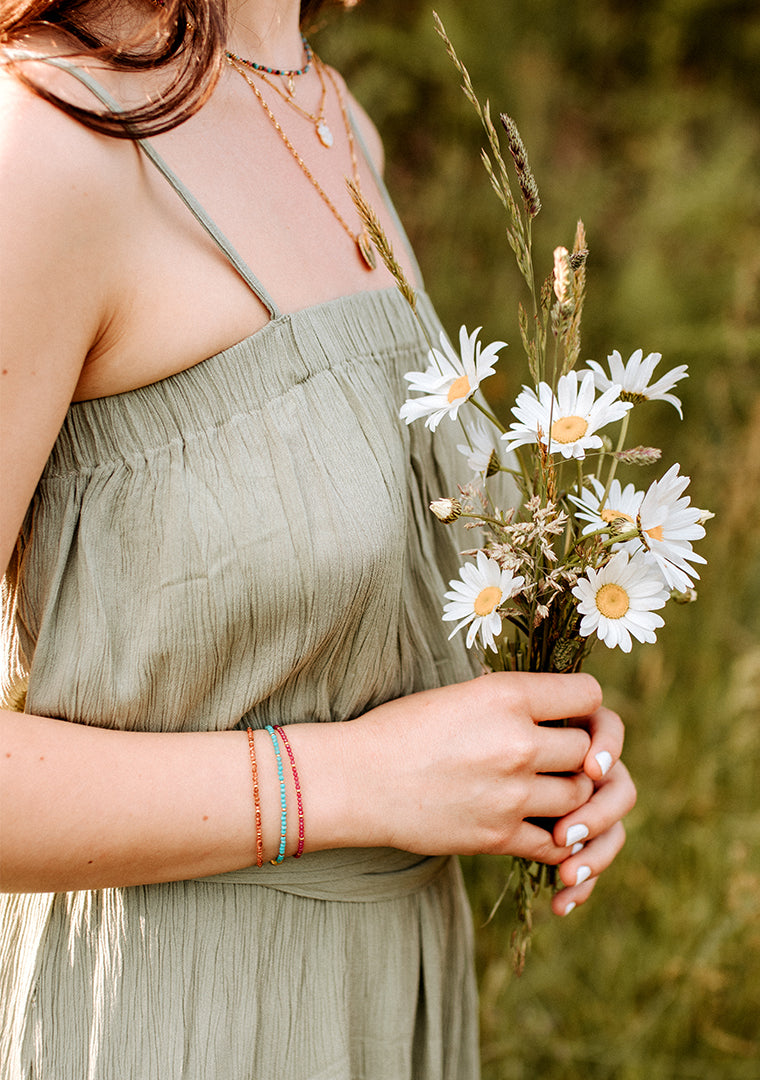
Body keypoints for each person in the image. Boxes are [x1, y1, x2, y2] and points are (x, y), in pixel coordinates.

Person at [0, 2, 637, 1076]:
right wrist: (352, 783)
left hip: (389, 1001)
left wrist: (531, 760)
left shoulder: (334, 118)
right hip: (175, 1018)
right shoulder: (44, 145)